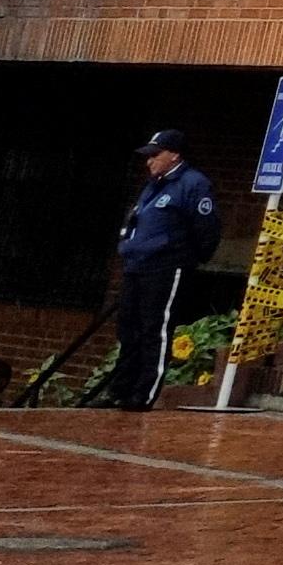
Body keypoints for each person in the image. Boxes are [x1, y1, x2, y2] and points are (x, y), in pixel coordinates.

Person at [103, 129, 218, 410]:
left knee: (155, 329)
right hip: (137, 265)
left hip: (166, 267)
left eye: (155, 155)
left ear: (174, 155)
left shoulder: (193, 184)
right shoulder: (154, 184)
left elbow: (207, 229)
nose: (149, 161)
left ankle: (143, 395)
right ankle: (120, 391)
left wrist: (185, 257)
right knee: (128, 328)